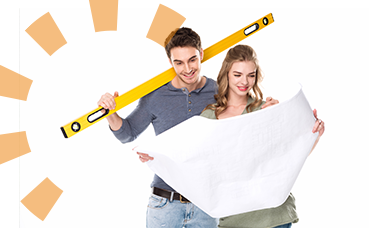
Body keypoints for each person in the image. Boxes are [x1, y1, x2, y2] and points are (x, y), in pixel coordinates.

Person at [97, 28, 280, 228]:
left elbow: (243, 116)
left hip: (206, 205)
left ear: (201, 54)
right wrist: (110, 113)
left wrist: (266, 109)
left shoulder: (218, 92)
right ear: (170, 62)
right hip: (164, 204)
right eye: (179, 62)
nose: (187, 68)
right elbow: (128, 134)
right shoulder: (155, 96)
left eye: (192, 59)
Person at [199, 44, 325, 228]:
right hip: (233, 220)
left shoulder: (266, 109)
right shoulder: (208, 118)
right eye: (238, 74)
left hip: (273, 217)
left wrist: (314, 136)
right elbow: (196, 165)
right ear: (226, 73)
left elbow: (289, 157)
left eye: (251, 75)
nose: (245, 82)